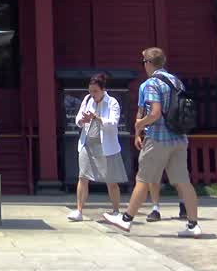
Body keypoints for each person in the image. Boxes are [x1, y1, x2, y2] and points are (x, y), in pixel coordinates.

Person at [102, 47, 202, 238]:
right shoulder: (176, 81)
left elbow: (154, 113)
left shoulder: (151, 84)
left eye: (143, 62)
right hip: (179, 138)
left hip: (158, 138)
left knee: (143, 179)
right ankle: (193, 224)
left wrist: (140, 124)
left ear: (149, 63)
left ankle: (125, 219)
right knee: (183, 182)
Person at [68, 73, 126, 221]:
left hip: (106, 145)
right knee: (83, 177)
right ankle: (79, 210)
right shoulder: (87, 100)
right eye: (90, 91)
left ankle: (116, 211)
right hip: (88, 143)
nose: (92, 94)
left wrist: (96, 118)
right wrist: (83, 120)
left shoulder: (112, 102)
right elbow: (78, 120)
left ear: (103, 89)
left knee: (111, 180)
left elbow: (113, 123)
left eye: (95, 91)